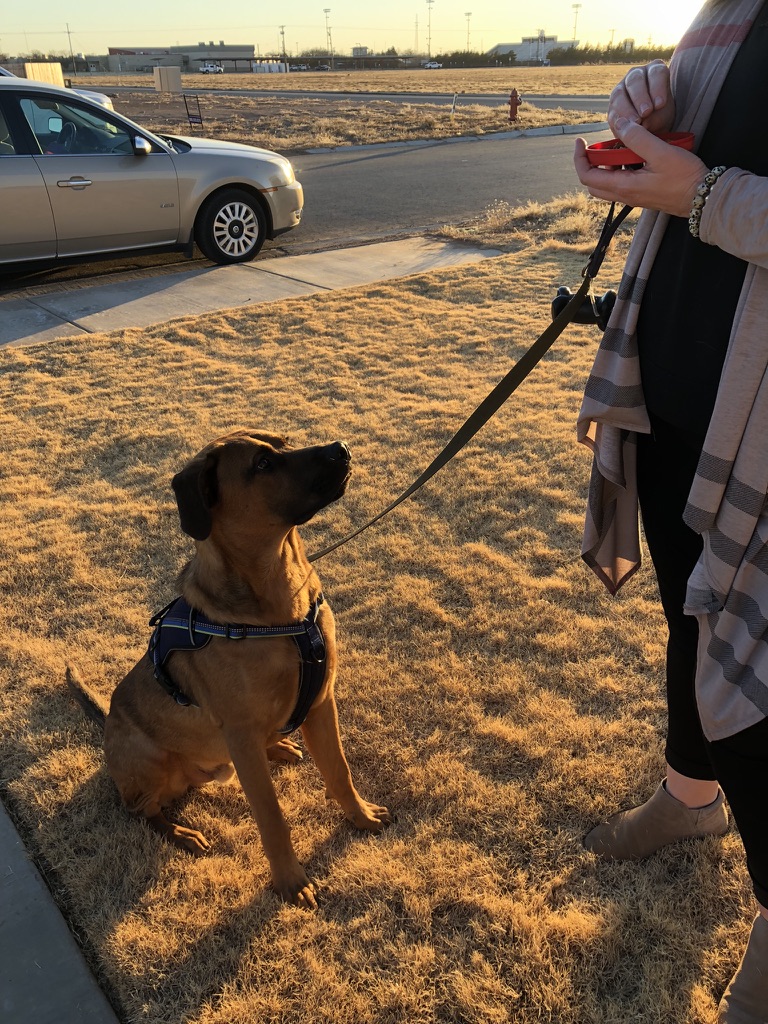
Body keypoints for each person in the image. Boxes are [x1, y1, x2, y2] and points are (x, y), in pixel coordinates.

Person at [572, 1, 768, 1021]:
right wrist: (642, 114)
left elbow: (709, 187)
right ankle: (691, 801)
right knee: (688, 616)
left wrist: (704, 192)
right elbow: (693, 136)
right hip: (680, 385)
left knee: (763, 679)